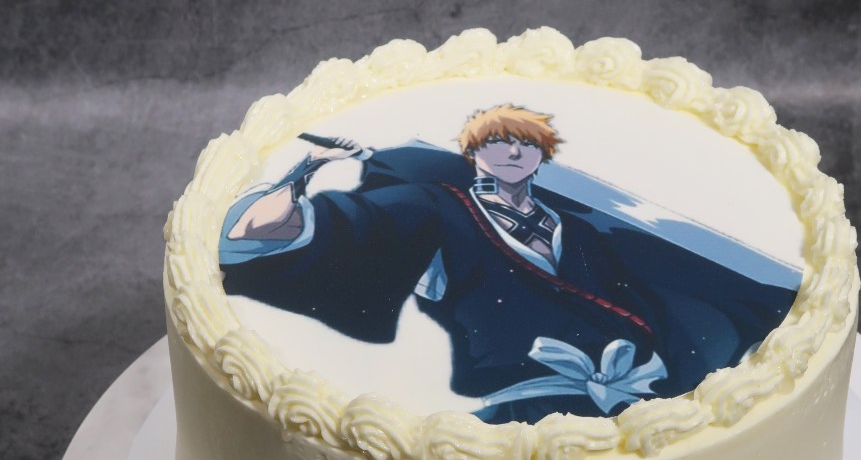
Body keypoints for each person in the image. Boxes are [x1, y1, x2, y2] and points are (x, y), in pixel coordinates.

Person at [220, 105, 796, 423]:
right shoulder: (436, 210)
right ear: (473, 152)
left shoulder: (580, 226)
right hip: (526, 406)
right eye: (498, 142)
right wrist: (306, 171)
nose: (515, 152)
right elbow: (285, 230)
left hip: (641, 398)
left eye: (527, 144)